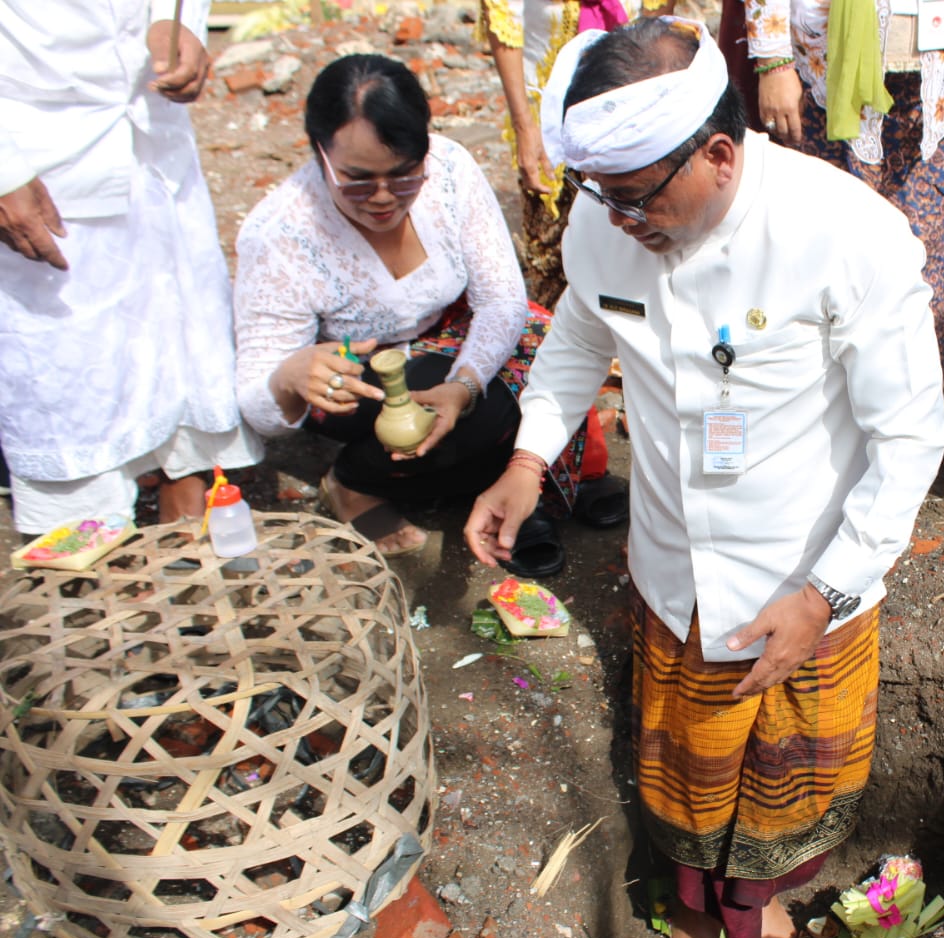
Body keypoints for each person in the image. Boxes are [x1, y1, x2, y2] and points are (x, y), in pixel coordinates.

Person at [465, 18, 944, 938]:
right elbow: (574, 343)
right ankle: (690, 909)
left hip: (804, 570)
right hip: (672, 562)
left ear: (720, 154)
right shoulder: (610, 224)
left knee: (787, 761)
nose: (615, 218)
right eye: (598, 195)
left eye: (636, 196)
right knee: (685, 759)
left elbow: (908, 438)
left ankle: (759, 905)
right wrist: (526, 464)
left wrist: (825, 595)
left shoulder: (842, 232)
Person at [234, 54, 619, 561]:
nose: (382, 199)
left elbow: (502, 300)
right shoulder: (281, 234)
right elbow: (254, 407)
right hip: (352, 381)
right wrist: (290, 375)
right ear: (319, 154)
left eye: (403, 176)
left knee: (537, 361)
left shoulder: (451, 169)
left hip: (446, 341)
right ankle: (355, 480)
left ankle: (503, 477)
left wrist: (462, 386)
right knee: (465, 416)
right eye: (356, 180)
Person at [0, 0, 262, 536]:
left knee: (176, 315)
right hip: (41, 146)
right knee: (67, 357)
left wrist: (178, 23)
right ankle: (84, 538)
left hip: (150, 127)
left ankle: (183, 483)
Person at [726, 0, 944, 348]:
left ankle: (914, 390)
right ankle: (824, 393)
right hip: (827, 79)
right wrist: (773, 62)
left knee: (923, 252)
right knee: (825, 252)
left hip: (937, 87)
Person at [480, 0, 667, 309]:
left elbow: (657, 15)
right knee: (551, 247)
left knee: (634, 233)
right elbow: (503, 17)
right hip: (547, 108)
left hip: (629, 104)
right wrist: (525, 128)